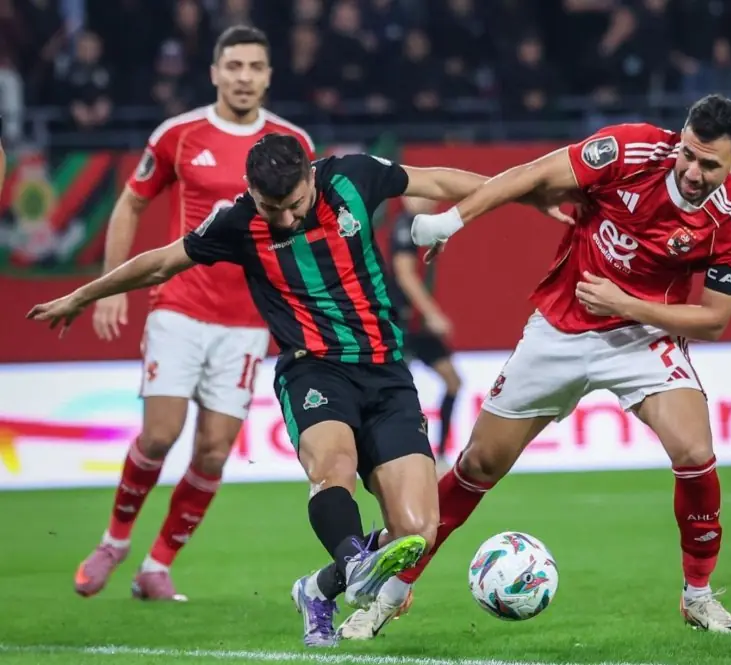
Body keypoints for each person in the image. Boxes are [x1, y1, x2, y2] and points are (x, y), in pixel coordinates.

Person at [27, 133, 566, 646]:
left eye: (294, 204)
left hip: (386, 373)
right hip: (313, 371)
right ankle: (354, 563)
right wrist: (82, 295)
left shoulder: (353, 177)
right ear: (251, 191)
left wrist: (523, 193)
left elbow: (439, 181)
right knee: (333, 466)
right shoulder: (237, 222)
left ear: (311, 175)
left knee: (417, 533)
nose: (284, 218)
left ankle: (317, 589)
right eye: (272, 208)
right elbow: (161, 263)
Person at [338, 94, 731, 638]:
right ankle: (389, 595)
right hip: (560, 329)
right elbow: (533, 174)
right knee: (477, 465)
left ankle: (698, 596)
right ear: (679, 139)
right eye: (688, 154)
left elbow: (714, 321)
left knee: (695, 453)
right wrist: (451, 222)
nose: (693, 171)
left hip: (643, 337)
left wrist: (626, 305)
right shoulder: (629, 150)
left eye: (710, 165)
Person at [74, 25, 316, 601]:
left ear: (268, 76)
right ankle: (114, 541)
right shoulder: (179, 135)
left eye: (254, 67)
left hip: (248, 321)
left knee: (213, 450)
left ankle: (156, 566)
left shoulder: (292, 142)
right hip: (179, 307)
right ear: (214, 72)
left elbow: (306, 226)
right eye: (233, 66)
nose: (243, 77)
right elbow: (131, 202)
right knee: (160, 435)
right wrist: (111, 286)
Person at [388, 196, 462, 474]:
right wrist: (432, 313)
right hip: (400, 324)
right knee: (398, 393)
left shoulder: (424, 228)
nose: (430, 200)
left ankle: (440, 455)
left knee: (453, 381)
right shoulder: (405, 225)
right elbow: (404, 274)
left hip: (417, 327)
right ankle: (399, 455)